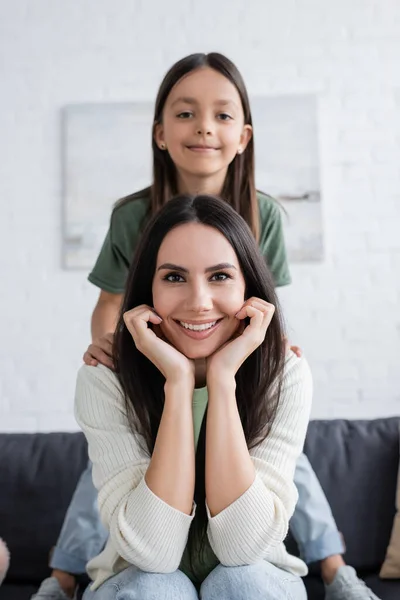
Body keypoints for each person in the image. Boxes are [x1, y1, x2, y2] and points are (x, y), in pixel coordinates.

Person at [33, 53, 380, 600]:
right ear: (160, 133)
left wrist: (258, 357)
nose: (204, 128)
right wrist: (114, 350)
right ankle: (60, 577)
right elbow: (109, 302)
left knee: (283, 456)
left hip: (244, 385)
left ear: (243, 136)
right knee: (111, 464)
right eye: (187, 114)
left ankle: (335, 568)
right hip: (146, 381)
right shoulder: (134, 216)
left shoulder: (262, 214)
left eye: (221, 116)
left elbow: (270, 305)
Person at [76, 193, 313, 599]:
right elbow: (153, 553)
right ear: (146, 289)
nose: (199, 302)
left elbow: (243, 548)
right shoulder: (105, 378)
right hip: (137, 578)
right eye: (173, 277)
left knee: (243, 582)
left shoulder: (284, 374)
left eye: (220, 276)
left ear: (249, 288)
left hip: (256, 576)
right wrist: (179, 383)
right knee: (153, 588)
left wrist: (222, 380)